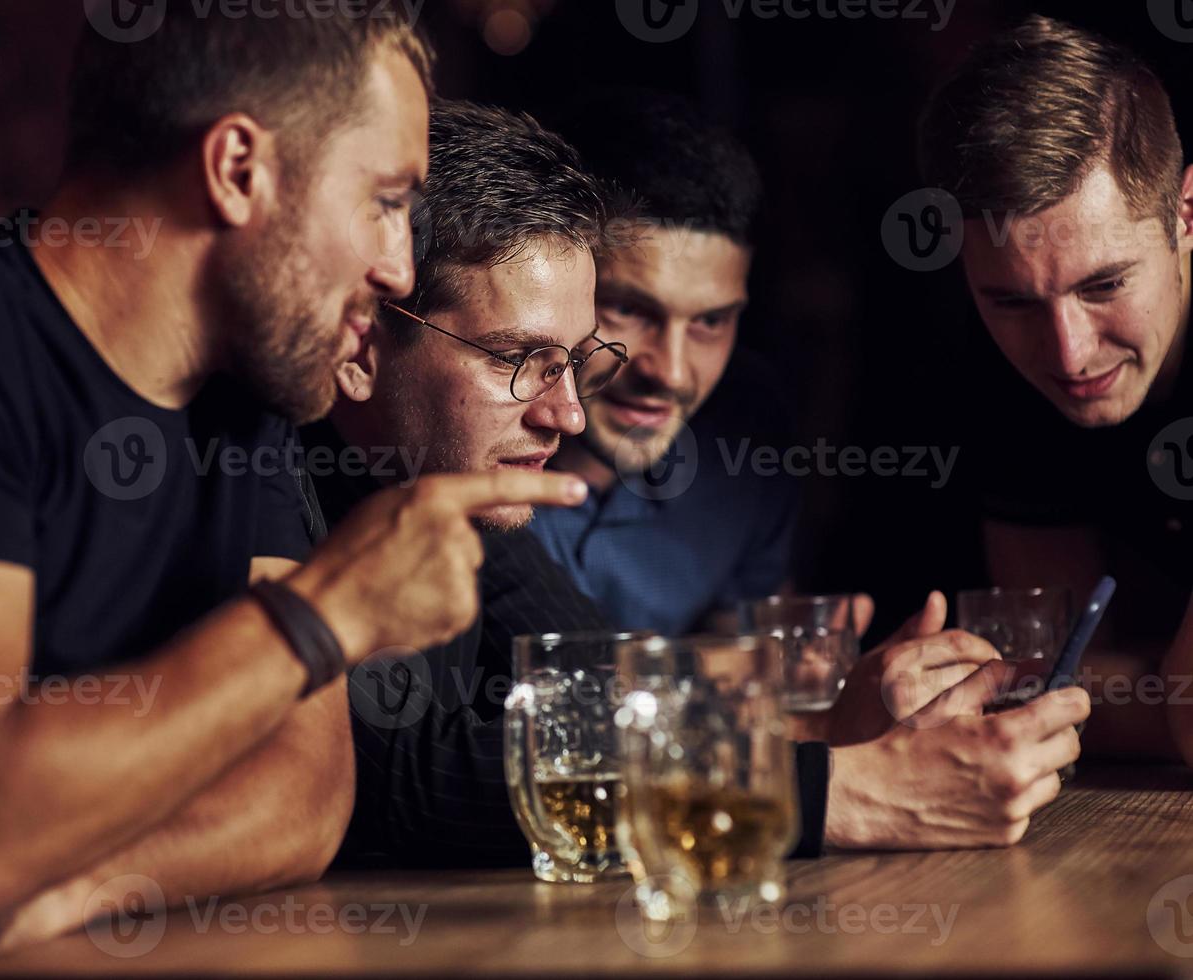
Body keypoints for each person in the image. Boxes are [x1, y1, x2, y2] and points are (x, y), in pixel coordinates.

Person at [0, 7, 590, 966]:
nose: (396, 265)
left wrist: (79, 883)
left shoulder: (242, 402)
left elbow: (305, 796)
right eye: (386, 200)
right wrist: (324, 615)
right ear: (236, 170)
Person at [312, 99, 1090, 869]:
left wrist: (826, 732)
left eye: (573, 361)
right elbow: (401, 778)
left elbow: (613, 688)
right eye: (518, 360)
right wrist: (841, 791)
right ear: (361, 340)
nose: (571, 415)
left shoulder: (451, 491)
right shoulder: (271, 465)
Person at [917, 14, 1193, 761]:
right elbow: (1052, 682)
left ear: (1185, 216)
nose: (1067, 354)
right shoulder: (999, 368)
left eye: (1105, 284)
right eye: (1009, 300)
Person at [529, 89, 797, 635]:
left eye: (710, 322)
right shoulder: (455, 433)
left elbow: (748, 653)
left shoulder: (751, 427)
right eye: (628, 309)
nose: (670, 373)